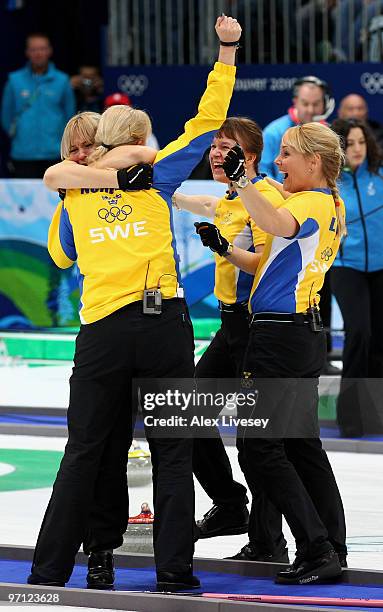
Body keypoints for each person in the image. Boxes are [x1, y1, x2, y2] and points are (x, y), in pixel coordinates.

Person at [27, 15, 240, 592]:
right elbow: (207, 120)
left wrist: (82, 181)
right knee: (171, 452)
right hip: (161, 324)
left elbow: (62, 254)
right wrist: (226, 51)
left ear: (99, 142)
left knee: (86, 453)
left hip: (102, 333)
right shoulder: (158, 174)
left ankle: (51, 571)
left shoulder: (72, 187)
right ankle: (173, 571)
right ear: (137, 140)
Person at [214, 122, 347, 584]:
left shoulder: (308, 201)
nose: (279, 161)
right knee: (301, 445)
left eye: (287, 153)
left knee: (261, 448)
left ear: (314, 162)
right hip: (298, 334)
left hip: (278, 339)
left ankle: (315, 547)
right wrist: (227, 249)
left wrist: (242, 183)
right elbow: (269, 257)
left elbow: (272, 222)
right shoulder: (329, 203)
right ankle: (333, 545)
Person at [173, 116, 288, 563]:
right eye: (215, 147)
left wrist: (222, 248)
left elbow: (265, 262)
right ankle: (229, 504)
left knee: (257, 438)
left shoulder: (266, 198)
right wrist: (167, 194)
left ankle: (266, 542)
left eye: (227, 147)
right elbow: (210, 205)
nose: (217, 154)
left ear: (252, 157)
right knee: (187, 411)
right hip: (229, 325)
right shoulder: (231, 195)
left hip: (255, 325)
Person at [331, 118, 383, 437]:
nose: (357, 149)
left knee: (380, 338)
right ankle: (349, 416)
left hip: (380, 266)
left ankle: (375, 415)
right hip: (345, 266)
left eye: (362, 142)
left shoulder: (378, 174)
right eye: (350, 143)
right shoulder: (330, 183)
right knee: (359, 332)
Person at [1, 33, 75, 178]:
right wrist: (19, 134)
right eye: (33, 49)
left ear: (49, 51)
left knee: (55, 198)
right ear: (27, 52)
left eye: (42, 48)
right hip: (23, 153)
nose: (38, 53)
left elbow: (70, 116)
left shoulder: (62, 80)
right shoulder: (14, 80)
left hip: (54, 152)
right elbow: (6, 115)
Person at [260, 76, 334, 181]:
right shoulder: (273, 132)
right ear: (295, 102)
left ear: (324, 104)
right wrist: (280, 193)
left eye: (316, 104)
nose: (310, 110)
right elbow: (262, 170)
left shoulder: (329, 134)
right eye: (305, 103)